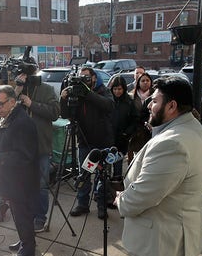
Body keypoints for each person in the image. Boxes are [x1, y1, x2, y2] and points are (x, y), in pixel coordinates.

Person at [114, 76, 202, 256]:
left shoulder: (172, 143)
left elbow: (143, 195)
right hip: (170, 236)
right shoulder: (189, 128)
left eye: (155, 101)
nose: (149, 105)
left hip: (159, 243)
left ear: (171, 106)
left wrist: (121, 200)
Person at [0, 85, 39, 256]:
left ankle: (28, 250)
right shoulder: (11, 117)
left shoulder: (21, 122)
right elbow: (10, 145)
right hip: (14, 178)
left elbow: (24, 155)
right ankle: (25, 241)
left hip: (22, 179)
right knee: (19, 214)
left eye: (0, 104)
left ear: (12, 101)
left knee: (22, 213)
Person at [60, 66, 114, 219]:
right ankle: (82, 205)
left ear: (94, 78)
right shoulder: (76, 93)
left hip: (102, 143)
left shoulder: (102, 91)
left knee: (101, 177)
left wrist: (88, 93)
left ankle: (102, 207)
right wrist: (63, 99)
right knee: (85, 174)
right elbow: (65, 114)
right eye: (81, 77)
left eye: (87, 78)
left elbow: (109, 106)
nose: (84, 80)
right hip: (85, 142)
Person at [13, 67, 60, 233]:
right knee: (23, 185)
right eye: (22, 74)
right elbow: (3, 115)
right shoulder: (16, 91)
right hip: (21, 149)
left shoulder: (46, 89)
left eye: (29, 74)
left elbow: (55, 113)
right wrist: (16, 92)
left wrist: (32, 104)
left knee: (41, 185)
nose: (26, 77)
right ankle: (28, 217)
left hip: (40, 147)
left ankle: (40, 218)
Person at [107, 75, 139, 178]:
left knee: (118, 166)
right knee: (106, 166)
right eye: (115, 89)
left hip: (121, 139)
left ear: (124, 88)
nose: (117, 92)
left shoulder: (129, 102)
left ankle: (116, 185)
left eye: (119, 89)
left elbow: (135, 119)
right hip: (108, 137)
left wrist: (127, 133)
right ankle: (103, 188)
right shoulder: (108, 100)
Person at [127, 72, 155, 162]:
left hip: (150, 131)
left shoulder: (155, 96)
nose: (145, 82)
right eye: (143, 81)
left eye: (147, 80)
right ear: (138, 83)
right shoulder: (132, 96)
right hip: (135, 132)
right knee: (135, 159)